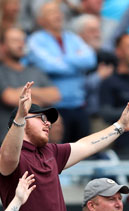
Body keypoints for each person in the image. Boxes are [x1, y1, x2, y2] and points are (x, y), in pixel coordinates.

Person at [0, 82, 129, 211]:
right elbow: (9, 155)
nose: (48, 123)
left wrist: (120, 126)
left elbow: (85, 145)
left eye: (48, 120)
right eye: (41, 118)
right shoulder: (6, 154)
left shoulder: (50, 151)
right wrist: (20, 116)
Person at [27, 1, 96, 143]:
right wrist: (76, 61)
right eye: (51, 13)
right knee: (58, 156)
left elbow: (90, 59)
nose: (58, 15)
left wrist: (61, 59)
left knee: (83, 152)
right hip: (54, 108)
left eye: (58, 11)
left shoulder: (73, 37)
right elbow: (49, 66)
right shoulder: (35, 40)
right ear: (41, 20)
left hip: (79, 104)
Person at [0, 27, 60, 149]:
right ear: (3, 46)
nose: (21, 44)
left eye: (23, 40)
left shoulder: (36, 70)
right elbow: (9, 97)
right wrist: (41, 99)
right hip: (9, 141)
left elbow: (55, 95)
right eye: (15, 41)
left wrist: (24, 92)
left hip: (39, 141)